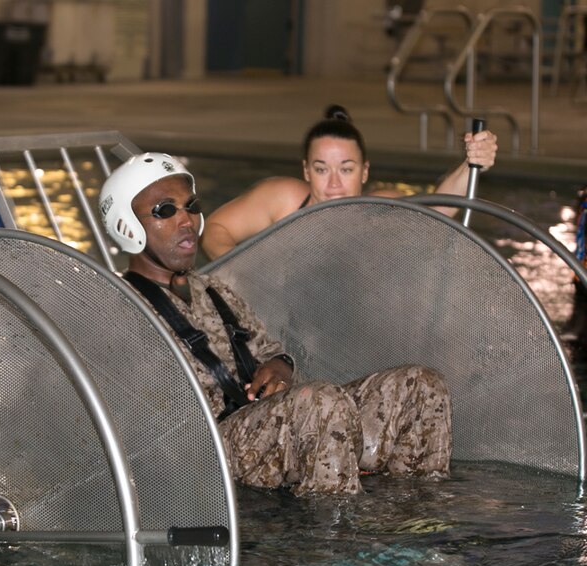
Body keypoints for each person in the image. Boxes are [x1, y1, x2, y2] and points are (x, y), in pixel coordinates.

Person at [99, 152, 452, 495]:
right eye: (165, 211)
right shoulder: (120, 308)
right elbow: (143, 423)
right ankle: (336, 540)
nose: (186, 219)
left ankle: (413, 519)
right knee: (320, 401)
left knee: (420, 386)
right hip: (205, 451)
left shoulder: (213, 289)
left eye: (191, 206)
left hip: (268, 420)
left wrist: (279, 367)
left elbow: (269, 350)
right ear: (126, 225)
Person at [201, 105, 499, 259]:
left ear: (364, 172)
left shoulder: (379, 211)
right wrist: (240, 275)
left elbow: (441, 210)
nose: (333, 185)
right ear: (306, 171)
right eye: (321, 170)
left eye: (345, 170)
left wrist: (471, 162)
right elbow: (215, 228)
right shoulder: (283, 200)